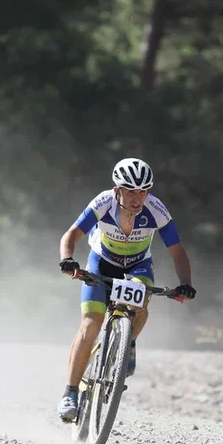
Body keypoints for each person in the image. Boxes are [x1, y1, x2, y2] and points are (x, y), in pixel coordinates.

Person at [56, 158, 195, 422]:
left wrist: (186, 284)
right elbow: (71, 235)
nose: (137, 198)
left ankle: (128, 342)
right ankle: (70, 393)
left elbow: (177, 253)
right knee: (91, 324)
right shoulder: (103, 203)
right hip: (101, 264)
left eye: (143, 191)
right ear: (116, 189)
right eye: (131, 190)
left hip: (138, 266)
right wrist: (67, 259)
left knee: (139, 302)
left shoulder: (156, 210)